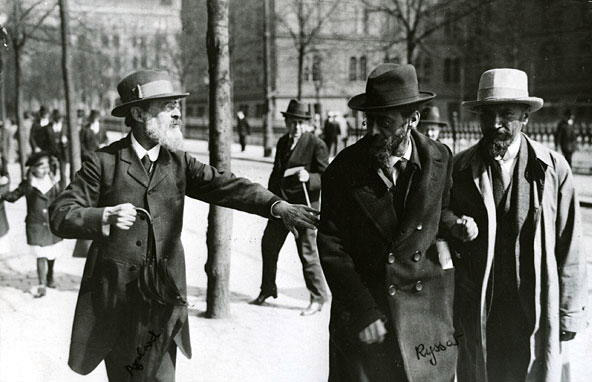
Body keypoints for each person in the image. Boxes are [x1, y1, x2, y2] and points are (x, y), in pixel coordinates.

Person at [48, 70, 319, 382]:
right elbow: (60, 213)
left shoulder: (177, 162)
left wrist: (277, 205)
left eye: (175, 105)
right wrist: (104, 216)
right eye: (166, 107)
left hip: (164, 301)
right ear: (137, 113)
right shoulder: (104, 162)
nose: (176, 113)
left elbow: (227, 186)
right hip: (118, 304)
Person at [317, 63, 458, 382]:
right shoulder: (343, 170)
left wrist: (454, 229)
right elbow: (332, 247)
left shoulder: (441, 158)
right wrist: (363, 310)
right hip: (368, 315)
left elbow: (440, 219)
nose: (374, 131)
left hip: (424, 317)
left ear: (413, 119)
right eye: (370, 121)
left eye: (385, 122)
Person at [446, 68, 585, 382]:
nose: (495, 125)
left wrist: (568, 313)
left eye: (506, 114)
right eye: (487, 114)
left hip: (531, 308)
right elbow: (440, 226)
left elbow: (570, 246)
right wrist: (454, 224)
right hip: (478, 309)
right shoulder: (460, 168)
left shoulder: (552, 169)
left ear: (525, 118)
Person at [251, 99, 329, 316]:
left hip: (303, 208)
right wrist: (269, 200)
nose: (296, 127)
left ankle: (318, 297)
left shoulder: (316, 143)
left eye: (300, 123)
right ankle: (267, 289)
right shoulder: (283, 142)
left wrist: (311, 177)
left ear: (307, 124)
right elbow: (276, 173)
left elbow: (327, 176)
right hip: (282, 206)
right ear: (286, 122)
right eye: (293, 122)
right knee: (269, 246)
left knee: (307, 253)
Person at [1, 151, 63, 297]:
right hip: (35, 225)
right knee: (40, 255)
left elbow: (61, 197)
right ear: (33, 168)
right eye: (41, 167)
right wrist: (2, 194)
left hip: (52, 224)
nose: (45, 170)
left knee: (52, 253)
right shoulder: (28, 184)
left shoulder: (53, 181)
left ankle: (50, 275)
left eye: (47, 166)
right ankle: (42, 284)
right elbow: (13, 196)